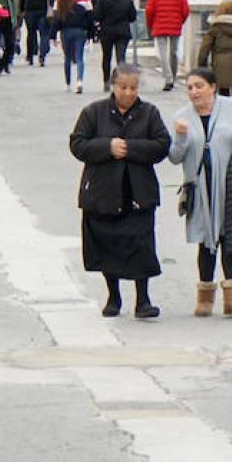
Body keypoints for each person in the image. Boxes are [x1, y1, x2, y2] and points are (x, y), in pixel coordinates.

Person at [71, 65, 171, 319]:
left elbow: (161, 146)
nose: (128, 93)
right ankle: (113, 296)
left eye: (133, 88)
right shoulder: (94, 112)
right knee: (107, 245)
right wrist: (107, 147)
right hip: (103, 192)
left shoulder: (149, 113)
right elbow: (78, 144)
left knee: (141, 246)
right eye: (123, 87)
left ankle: (143, 300)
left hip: (138, 193)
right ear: (113, 86)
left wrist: (130, 148)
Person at [169, 68, 232, 318]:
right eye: (189, 87)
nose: (194, 92)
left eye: (199, 86)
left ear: (213, 87)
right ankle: (205, 299)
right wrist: (179, 138)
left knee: (230, 237)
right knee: (206, 240)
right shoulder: (182, 117)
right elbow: (175, 158)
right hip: (199, 188)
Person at [145, 0, 190, 91]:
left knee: (163, 53)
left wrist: (150, 24)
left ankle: (168, 78)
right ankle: (173, 76)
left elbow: (149, 10)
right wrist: (180, 21)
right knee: (173, 52)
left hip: (159, 23)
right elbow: (185, 10)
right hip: (175, 23)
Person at [51, 0, 96, 95]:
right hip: (81, 30)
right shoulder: (84, 0)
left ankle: (67, 83)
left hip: (66, 31)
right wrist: (91, 35)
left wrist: (53, 35)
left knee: (67, 57)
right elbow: (90, 18)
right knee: (79, 57)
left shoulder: (59, 0)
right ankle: (79, 81)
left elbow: (56, 19)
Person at [20, 0, 54, 67]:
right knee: (44, 33)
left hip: (30, 9)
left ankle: (30, 55)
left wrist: (21, 9)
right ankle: (42, 55)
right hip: (43, 8)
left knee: (31, 33)